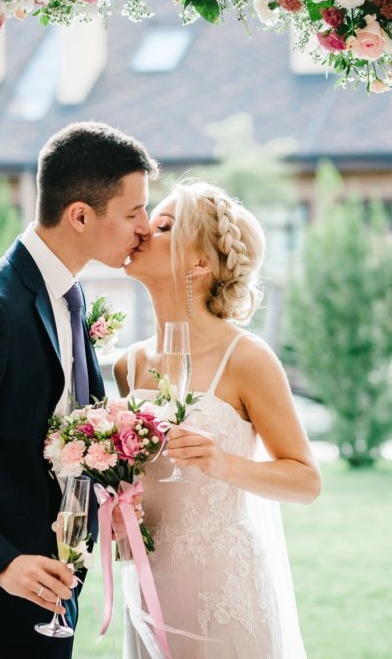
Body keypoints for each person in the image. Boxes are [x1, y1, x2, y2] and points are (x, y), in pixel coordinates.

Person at [0, 121, 158, 659]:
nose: (145, 227)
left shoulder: (71, 295)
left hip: (55, 584)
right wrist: (0, 563)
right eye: (133, 213)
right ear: (81, 215)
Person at [114, 180, 322, 659]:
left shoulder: (248, 358)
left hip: (225, 588)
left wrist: (222, 463)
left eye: (164, 226)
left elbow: (306, 481)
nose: (144, 230)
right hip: (148, 587)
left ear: (201, 263)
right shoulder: (129, 364)